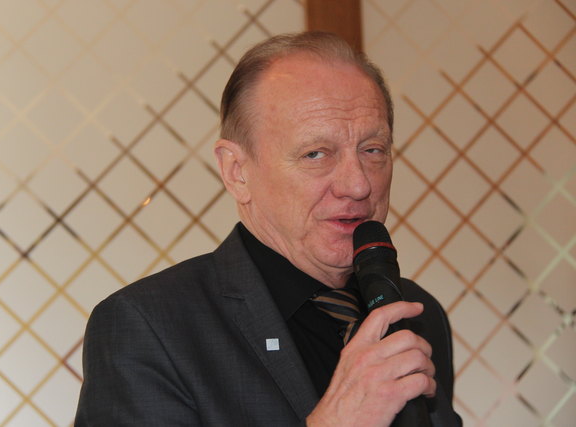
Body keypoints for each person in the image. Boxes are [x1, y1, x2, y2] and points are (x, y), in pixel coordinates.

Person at [75, 32, 461, 426]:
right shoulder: (148, 327)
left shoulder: (417, 313)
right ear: (236, 172)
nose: (358, 184)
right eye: (316, 153)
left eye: (372, 150)